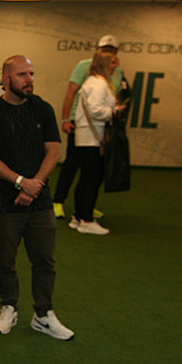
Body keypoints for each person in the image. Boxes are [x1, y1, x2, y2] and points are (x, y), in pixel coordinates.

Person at [0, 55, 73, 340]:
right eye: (22, 75)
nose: (29, 79)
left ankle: (43, 314)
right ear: (7, 80)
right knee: (5, 261)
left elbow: (54, 151)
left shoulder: (42, 109)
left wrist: (34, 186)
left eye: (31, 73)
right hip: (4, 203)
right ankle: (9, 308)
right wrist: (21, 182)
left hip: (39, 201)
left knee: (45, 261)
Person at [53, 35, 122, 219]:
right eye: (104, 49)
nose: (108, 53)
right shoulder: (85, 67)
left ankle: (85, 207)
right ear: (98, 50)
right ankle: (58, 201)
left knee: (92, 172)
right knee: (73, 164)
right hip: (81, 123)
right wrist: (66, 119)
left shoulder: (116, 71)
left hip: (101, 128)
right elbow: (71, 93)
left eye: (111, 50)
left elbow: (115, 96)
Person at [71, 51, 126, 235]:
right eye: (112, 63)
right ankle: (86, 220)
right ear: (104, 64)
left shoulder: (93, 82)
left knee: (86, 178)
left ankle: (79, 216)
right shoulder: (99, 83)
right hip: (92, 137)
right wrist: (115, 111)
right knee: (92, 179)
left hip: (87, 135)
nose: (116, 66)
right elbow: (95, 110)